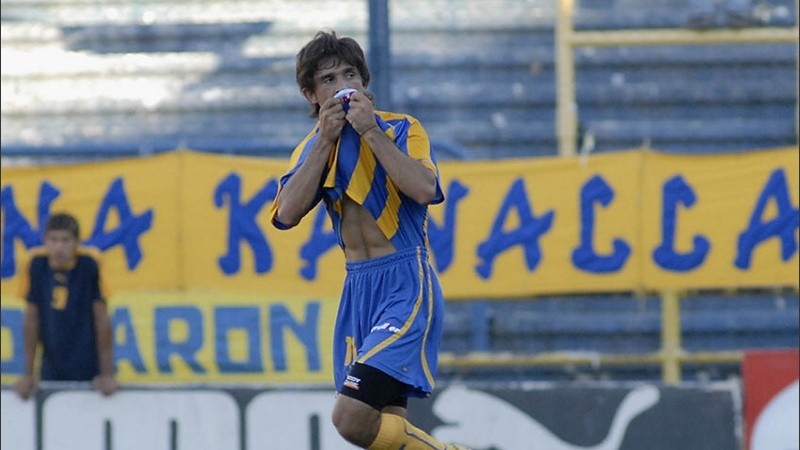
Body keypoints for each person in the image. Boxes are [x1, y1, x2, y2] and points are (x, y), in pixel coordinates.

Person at [270, 30, 470, 450]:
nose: (343, 87)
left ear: (364, 82)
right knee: (374, 429)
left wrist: (370, 132)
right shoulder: (313, 147)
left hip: (405, 283)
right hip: (358, 290)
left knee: (349, 417)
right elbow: (286, 214)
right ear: (310, 95)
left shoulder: (402, 129)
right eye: (328, 80)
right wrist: (325, 140)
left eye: (350, 75)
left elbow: (424, 189)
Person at [14, 212, 119, 400]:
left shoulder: (89, 266)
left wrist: (107, 374)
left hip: (89, 367)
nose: (59, 247)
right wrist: (28, 374)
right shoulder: (36, 266)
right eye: (53, 240)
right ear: (45, 241)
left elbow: (102, 321)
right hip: (51, 365)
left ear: (77, 243)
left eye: (65, 240)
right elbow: (31, 321)